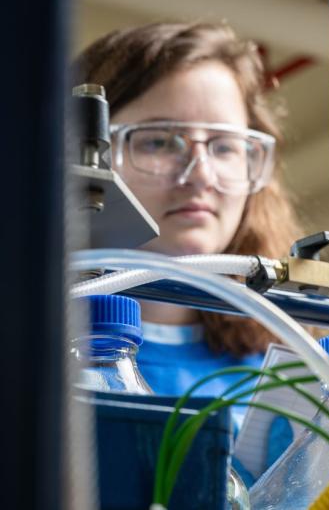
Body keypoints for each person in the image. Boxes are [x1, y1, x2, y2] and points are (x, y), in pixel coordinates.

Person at [74, 21, 304, 413]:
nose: (200, 175)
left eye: (224, 147)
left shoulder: (292, 376)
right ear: (84, 153)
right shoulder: (31, 352)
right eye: (159, 141)